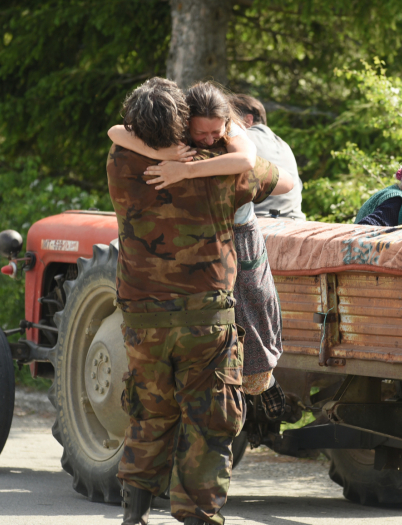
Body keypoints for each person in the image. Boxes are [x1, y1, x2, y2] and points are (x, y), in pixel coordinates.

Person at [106, 77, 292, 525]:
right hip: (205, 320)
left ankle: (134, 514)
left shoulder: (121, 161)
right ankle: (196, 517)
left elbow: (117, 131)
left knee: (149, 411)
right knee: (208, 423)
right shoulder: (221, 168)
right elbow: (283, 182)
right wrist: (232, 134)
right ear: (184, 121)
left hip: (141, 317)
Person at [228, 94, 305, 220]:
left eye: (230, 119)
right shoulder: (284, 145)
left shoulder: (241, 140)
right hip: (296, 220)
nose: (226, 126)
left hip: (262, 224)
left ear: (248, 120)